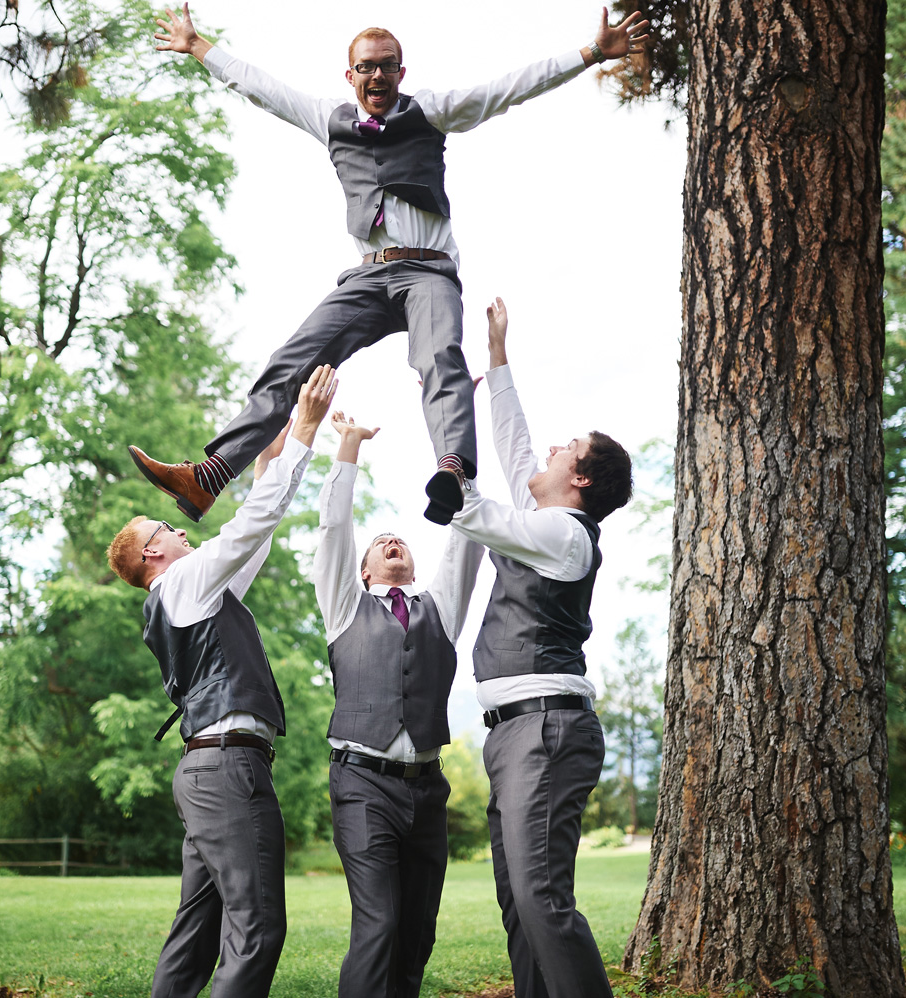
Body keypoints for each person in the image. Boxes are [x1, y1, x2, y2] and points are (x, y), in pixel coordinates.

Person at [130, 5, 649, 526]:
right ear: (350, 74)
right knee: (290, 361)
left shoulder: (431, 111)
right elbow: (262, 88)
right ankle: (211, 476)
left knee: (438, 357)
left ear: (402, 72)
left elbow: (507, 89)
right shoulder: (329, 119)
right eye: (367, 67)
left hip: (428, 272)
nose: (377, 75)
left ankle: (451, 471)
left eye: (387, 65)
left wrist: (589, 54)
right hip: (367, 276)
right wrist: (199, 47)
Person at [107, 365, 338, 998]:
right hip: (228, 770)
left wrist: (267, 462)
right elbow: (249, 529)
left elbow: (247, 551)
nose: (180, 529)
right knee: (258, 926)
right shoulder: (180, 583)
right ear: (153, 555)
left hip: (208, 771)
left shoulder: (190, 594)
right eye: (167, 530)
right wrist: (304, 434)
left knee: (197, 931)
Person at [449, 298, 632, 998]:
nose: (553, 449)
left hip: (546, 731)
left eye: (568, 449)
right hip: (515, 734)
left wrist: (447, 430)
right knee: (518, 906)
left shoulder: (563, 534)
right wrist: (497, 359)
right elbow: (517, 445)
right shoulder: (547, 522)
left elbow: (470, 508)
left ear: (580, 480)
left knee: (542, 900)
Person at [313, 411, 485, 998]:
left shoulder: (440, 606)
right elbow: (334, 531)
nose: (394, 542)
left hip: (428, 788)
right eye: (381, 543)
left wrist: (457, 437)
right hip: (362, 785)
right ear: (362, 571)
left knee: (417, 929)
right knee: (379, 922)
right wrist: (348, 450)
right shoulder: (343, 607)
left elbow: (467, 540)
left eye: (402, 541)